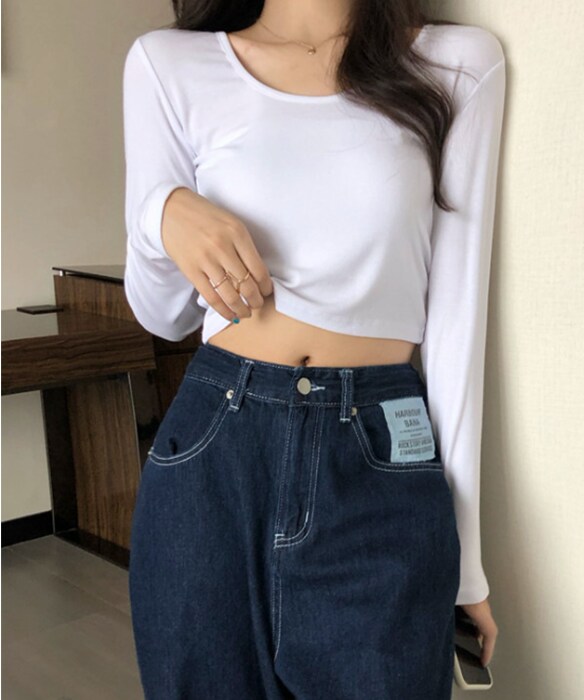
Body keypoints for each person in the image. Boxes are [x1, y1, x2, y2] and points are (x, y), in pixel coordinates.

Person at [123, 0, 505, 697]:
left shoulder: (457, 64)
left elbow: (456, 325)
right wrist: (161, 213)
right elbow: (162, 314)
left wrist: (465, 563)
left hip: (378, 457)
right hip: (213, 454)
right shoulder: (167, 65)